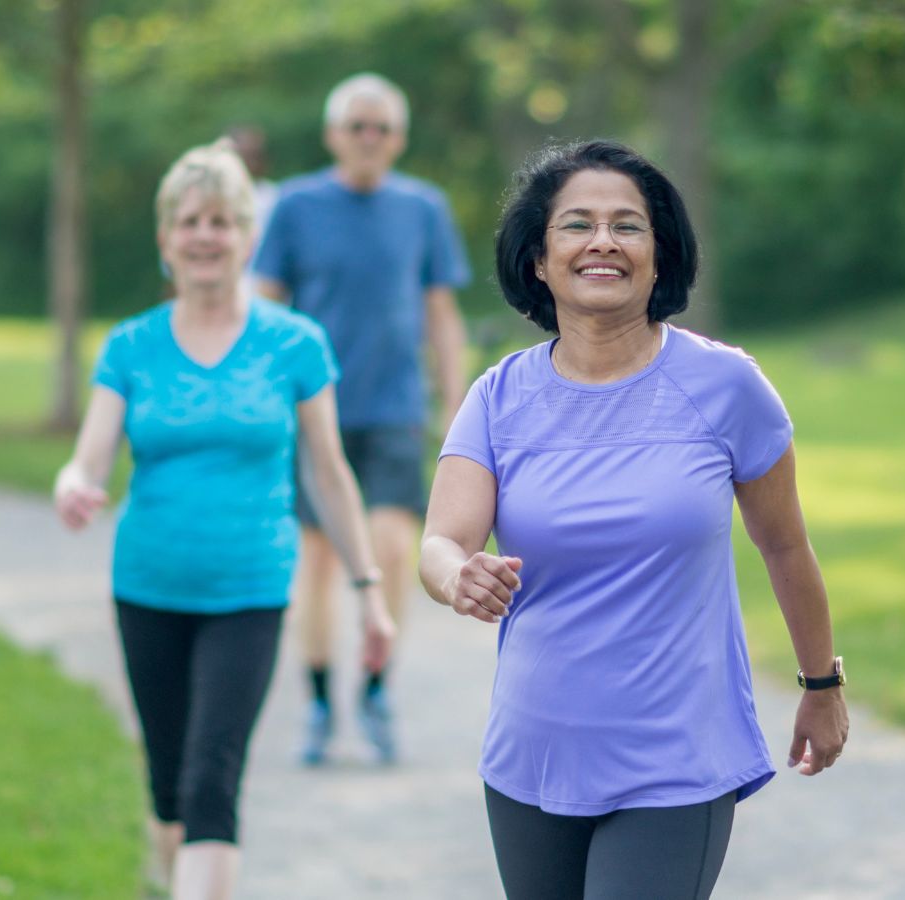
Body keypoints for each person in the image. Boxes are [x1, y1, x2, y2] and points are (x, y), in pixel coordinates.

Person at [419, 139, 849, 900]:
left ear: (660, 258)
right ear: (538, 261)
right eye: (577, 225)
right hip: (531, 758)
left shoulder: (725, 386)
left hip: (676, 758)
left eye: (629, 226)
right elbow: (442, 541)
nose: (603, 242)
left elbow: (784, 544)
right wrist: (459, 576)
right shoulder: (499, 396)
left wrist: (822, 683)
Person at [53, 140, 396, 900]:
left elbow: (329, 471)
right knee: (170, 785)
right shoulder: (132, 344)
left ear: (246, 235)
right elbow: (91, 454)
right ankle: (164, 874)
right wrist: (74, 484)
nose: (205, 236)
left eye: (221, 221)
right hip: (148, 586)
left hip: (249, 588)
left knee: (212, 778)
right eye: (189, 221)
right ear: (165, 238)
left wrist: (369, 592)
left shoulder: (294, 342)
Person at [254, 72, 471, 765]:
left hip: (395, 408)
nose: (369, 138)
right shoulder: (294, 206)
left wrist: (458, 404)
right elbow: (265, 305)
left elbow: (441, 313)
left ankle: (376, 683)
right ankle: (319, 699)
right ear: (333, 135)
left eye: (381, 128)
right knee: (317, 559)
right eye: (357, 126)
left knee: (389, 550)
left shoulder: (423, 209)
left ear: (399, 138)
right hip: (313, 412)